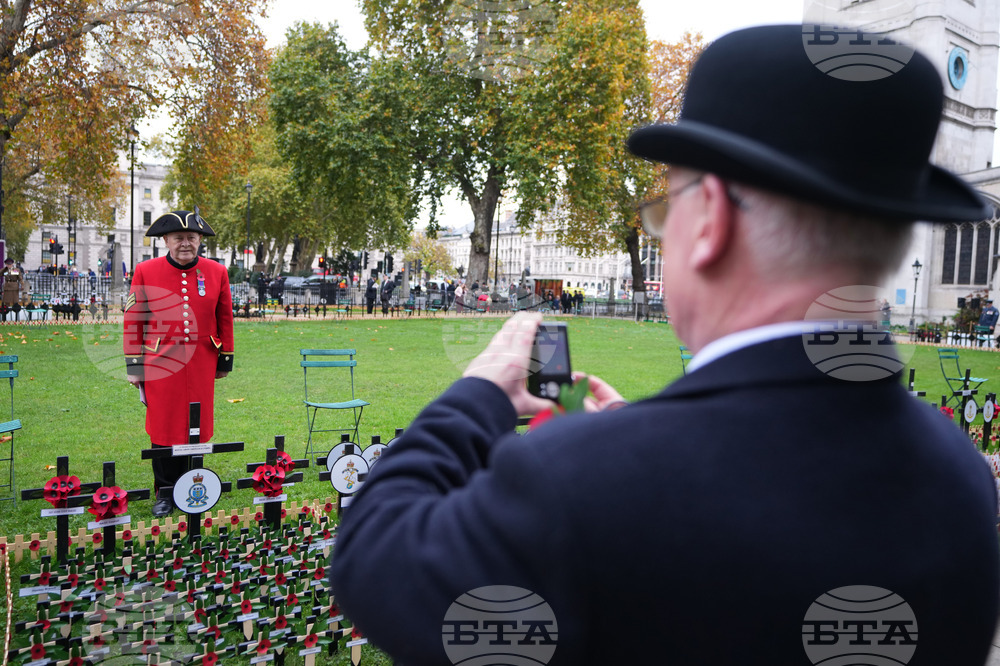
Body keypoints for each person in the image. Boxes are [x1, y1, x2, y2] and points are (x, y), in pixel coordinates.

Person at [330, 25, 1000, 664]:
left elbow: (377, 559)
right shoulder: (961, 477)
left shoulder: (580, 485)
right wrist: (641, 441)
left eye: (666, 210)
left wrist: (475, 395)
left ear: (708, 220)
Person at [123, 210, 234, 517]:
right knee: (163, 427)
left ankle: (191, 485)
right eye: (178, 238)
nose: (185, 243)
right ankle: (165, 492)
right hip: (161, 364)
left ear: (199, 240)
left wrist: (225, 359)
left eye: (191, 238)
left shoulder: (216, 272)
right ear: (165, 241)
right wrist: (134, 366)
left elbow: (224, 318)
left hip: (201, 362)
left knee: (196, 427)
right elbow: (134, 321)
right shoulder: (146, 271)